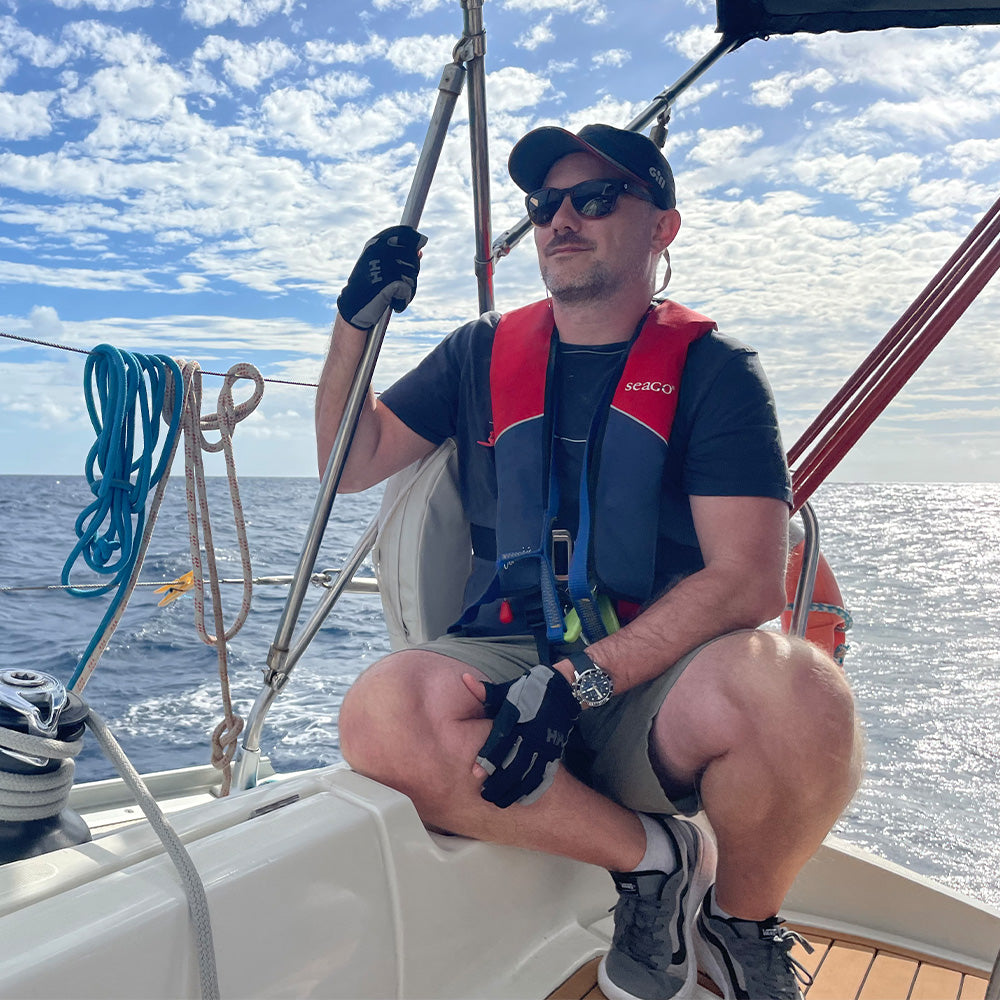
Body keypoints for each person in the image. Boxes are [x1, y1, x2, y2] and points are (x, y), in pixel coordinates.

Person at [316, 123, 863, 1000]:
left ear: (661, 227)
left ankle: (740, 924)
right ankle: (655, 864)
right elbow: (348, 461)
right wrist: (353, 324)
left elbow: (748, 580)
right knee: (379, 715)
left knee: (802, 693)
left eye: (596, 198)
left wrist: (580, 684)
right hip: (506, 646)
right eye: (546, 204)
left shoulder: (716, 373)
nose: (563, 218)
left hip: (654, 677)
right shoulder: (478, 354)